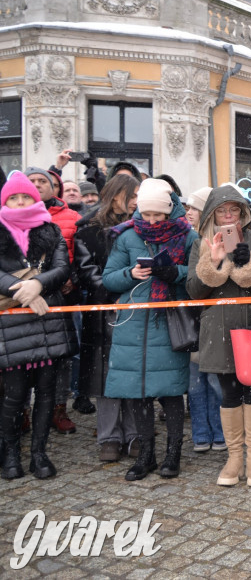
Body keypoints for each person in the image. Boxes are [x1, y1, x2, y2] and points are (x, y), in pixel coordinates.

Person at [102, 179, 196, 480]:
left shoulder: (187, 235)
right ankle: (145, 455)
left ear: (169, 211)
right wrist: (131, 273)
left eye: (158, 215)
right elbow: (109, 278)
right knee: (138, 393)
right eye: (147, 214)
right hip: (134, 325)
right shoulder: (127, 236)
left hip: (168, 322)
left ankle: (173, 454)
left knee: (170, 394)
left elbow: (198, 276)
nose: (152, 220)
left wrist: (175, 273)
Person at [187, 186, 251, 487]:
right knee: (229, 393)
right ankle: (234, 457)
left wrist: (244, 263)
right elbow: (194, 291)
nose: (228, 215)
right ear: (213, 213)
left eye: (234, 209)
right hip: (219, 329)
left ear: (243, 212)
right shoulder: (201, 243)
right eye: (222, 210)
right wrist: (212, 263)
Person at [0, 172, 76, 480]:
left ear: (35, 199)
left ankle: (39, 454)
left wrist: (38, 285)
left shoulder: (51, 229)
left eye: (26, 197)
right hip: (13, 323)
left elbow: (61, 268)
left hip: (48, 320)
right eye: (13, 198)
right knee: (15, 394)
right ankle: (10, 453)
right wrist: (24, 291)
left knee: (47, 390)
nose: (20, 202)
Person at [74, 175, 142, 462]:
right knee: (105, 377)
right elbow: (87, 271)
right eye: (134, 193)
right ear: (117, 196)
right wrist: (115, 291)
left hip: (136, 308)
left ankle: (136, 434)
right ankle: (109, 437)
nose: (138, 199)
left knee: (133, 373)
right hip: (103, 311)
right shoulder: (88, 229)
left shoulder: (143, 226)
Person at [25, 166, 79, 435]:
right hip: (19, 300)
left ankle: (58, 408)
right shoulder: (8, 222)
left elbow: (78, 255)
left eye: (42, 181)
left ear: (54, 187)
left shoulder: (71, 217)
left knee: (59, 356)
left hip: (60, 295)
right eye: (31, 181)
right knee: (21, 358)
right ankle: (22, 410)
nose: (37, 185)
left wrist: (72, 278)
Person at [181, 187, 224, 453]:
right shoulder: (190, 239)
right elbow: (190, 282)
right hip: (192, 319)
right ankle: (200, 433)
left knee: (215, 381)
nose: (189, 212)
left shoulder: (220, 239)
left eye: (195, 208)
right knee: (196, 382)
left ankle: (219, 432)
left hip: (214, 320)